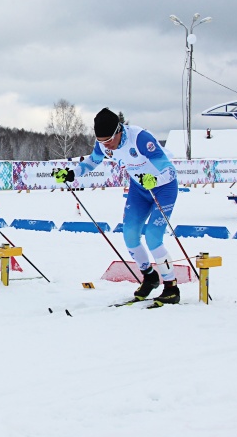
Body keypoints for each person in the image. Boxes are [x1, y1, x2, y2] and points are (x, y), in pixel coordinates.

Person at [53, 108, 180, 304]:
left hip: (163, 189)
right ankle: (150, 277)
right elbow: (92, 162)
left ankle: (171, 287)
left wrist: (154, 179)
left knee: (154, 237)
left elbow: (170, 171)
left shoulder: (140, 138)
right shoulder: (104, 144)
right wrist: (72, 174)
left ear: (119, 130)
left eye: (109, 140)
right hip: (139, 190)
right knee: (130, 235)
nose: (107, 146)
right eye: (101, 142)